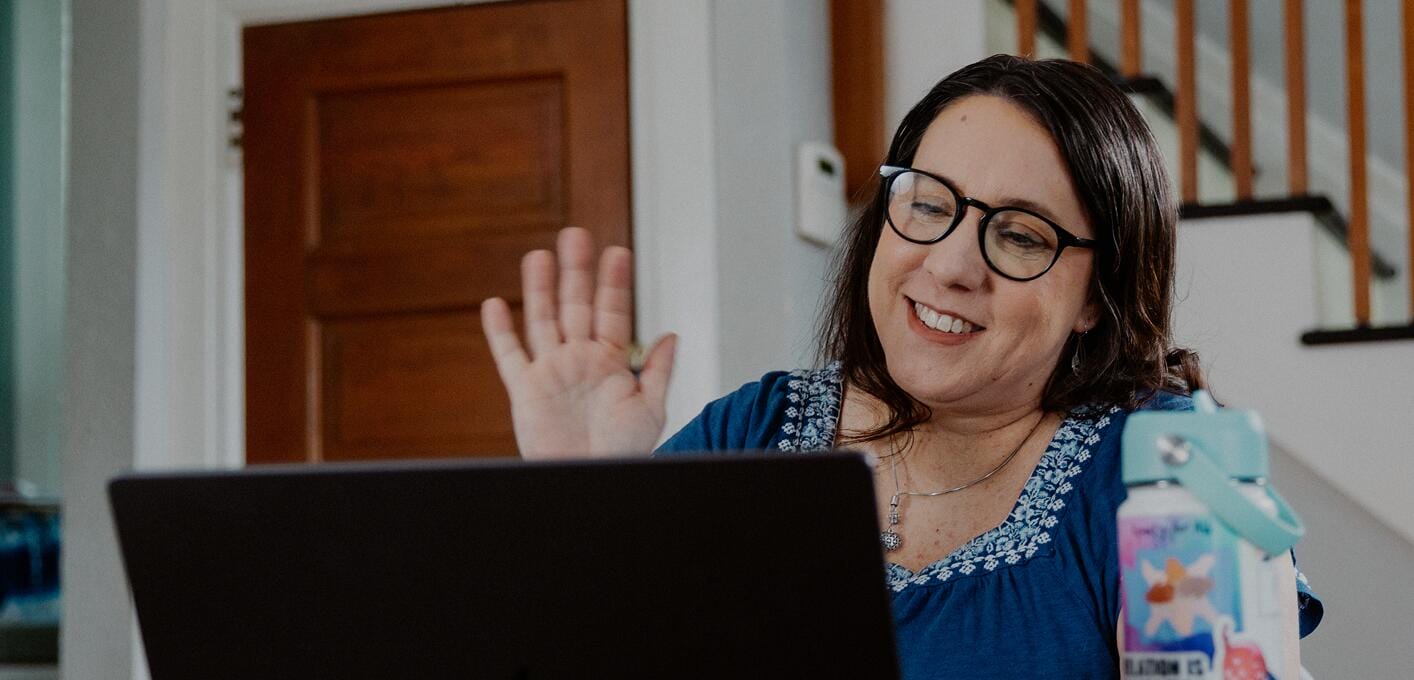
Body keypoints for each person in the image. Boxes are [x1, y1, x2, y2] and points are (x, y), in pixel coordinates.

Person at [480, 55, 1323, 678]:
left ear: (1097, 296)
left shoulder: (1174, 474)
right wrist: (578, 500)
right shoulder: (754, 433)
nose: (952, 263)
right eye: (928, 203)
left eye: (1022, 235)